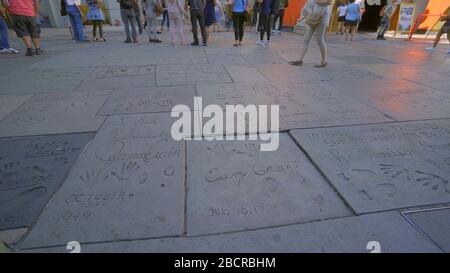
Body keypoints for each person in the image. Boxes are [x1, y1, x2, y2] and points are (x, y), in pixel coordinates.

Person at [290, 0, 331, 67]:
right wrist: (302, 17)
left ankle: (324, 61)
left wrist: (317, 1)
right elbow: (308, 6)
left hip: (322, 17)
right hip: (312, 17)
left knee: (320, 39)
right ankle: (300, 60)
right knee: (306, 39)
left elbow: (328, 2)